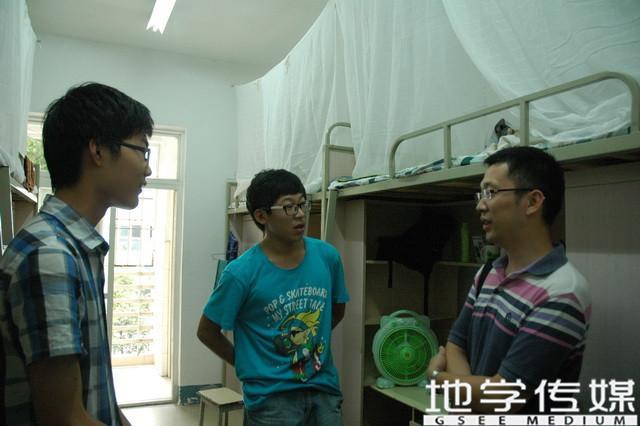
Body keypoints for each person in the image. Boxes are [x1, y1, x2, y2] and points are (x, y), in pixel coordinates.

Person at [0, 83, 153, 425]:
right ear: (97, 150)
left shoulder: (74, 247)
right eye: (142, 151)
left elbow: (92, 395)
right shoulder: (51, 255)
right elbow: (65, 418)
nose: (147, 169)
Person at [427, 146, 591, 413]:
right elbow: (456, 344)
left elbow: (503, 396)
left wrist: (438, 378)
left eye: (490, 192)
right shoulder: (487, 273)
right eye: (481, 194)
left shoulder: (562, 292)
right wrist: (469, 395)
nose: (480, 205)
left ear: (533, 202)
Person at [197, 169, 349, 425]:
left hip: (323, 390)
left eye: (302, 204)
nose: (300, 214)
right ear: (261, 216)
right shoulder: (241, 273)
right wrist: (247, 363)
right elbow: (207, 331)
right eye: (289, 207)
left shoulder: (327, 256)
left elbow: (336, 310)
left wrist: (308, 341)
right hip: (271, 400)